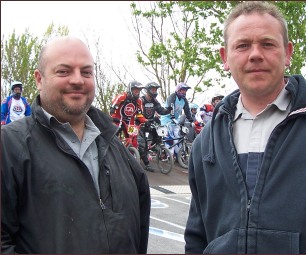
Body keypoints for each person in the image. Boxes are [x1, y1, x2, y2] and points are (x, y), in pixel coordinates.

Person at [185, 2, 306, 254]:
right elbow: (197, 238)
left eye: (267, 43)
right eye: (242, 45)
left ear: (288, 52)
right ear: (224, 57)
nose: (255, 54)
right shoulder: (206, 142)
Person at [1, 36, 151, 254]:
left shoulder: (117, 148)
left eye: (86, 72)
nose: (78, 80)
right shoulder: (9, 146)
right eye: (64, 71)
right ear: (39, 79)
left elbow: (138, 231)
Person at [137, 81, 172, 172]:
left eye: (156, 89)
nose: (155, 91)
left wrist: (168, 110)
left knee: (159, 136)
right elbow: (138, 113)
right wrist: (144, 120)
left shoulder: (155, 101)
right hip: (140, 124)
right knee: (142, 144)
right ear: (148, 90)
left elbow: (160, 111)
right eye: (153, 89)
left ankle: (152, 147)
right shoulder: (141, 100)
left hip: (150, 122)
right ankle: (147, 164)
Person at [160, 82, 193, 156]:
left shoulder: (184, 100)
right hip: (167, 120)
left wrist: (191, 120)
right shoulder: (172, 96)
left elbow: (187, 110)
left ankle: (178, 155)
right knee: (170, 138)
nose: (184, 92)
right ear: (178, 90)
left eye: (185, 90)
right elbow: (170, 107)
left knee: (178, 138)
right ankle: (169, 155)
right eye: (183, 90)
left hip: (175, 121)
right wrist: (172, 116)